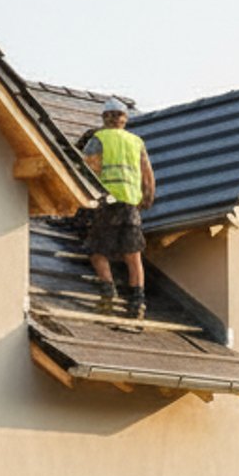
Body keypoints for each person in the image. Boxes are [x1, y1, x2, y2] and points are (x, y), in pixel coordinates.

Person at [81, 103, 157, 318]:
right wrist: (148, 197)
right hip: (131, 205)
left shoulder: (100, 139)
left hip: (108, 203)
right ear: (125, 119)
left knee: (97, 252)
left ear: (105, 117)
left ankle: (108, 297)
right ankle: (137, 304)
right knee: (133, 256)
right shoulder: (136, 142)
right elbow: (147, 173)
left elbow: (88, 169)